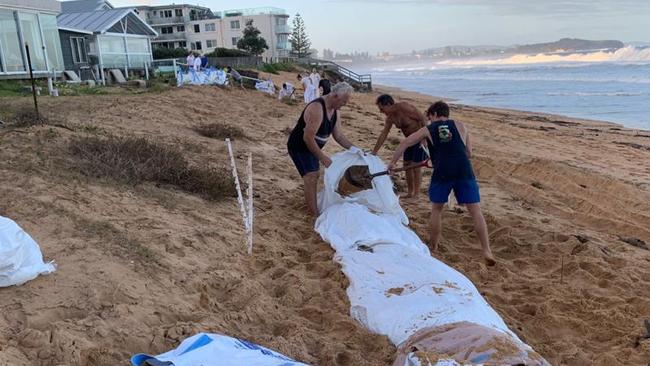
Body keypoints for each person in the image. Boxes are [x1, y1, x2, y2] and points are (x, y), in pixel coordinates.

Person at [387, 101, 496, 266]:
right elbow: (468, 153)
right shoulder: (461, 126)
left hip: (443, 171)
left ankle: (434, 245)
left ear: (435, 114)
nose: (429, 120)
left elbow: (405, 143)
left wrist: (392, 163)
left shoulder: (427, 129)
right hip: (463, 169)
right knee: (475, 211)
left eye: (430, 117)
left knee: (437, 209)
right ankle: (487, 250)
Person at [287, 82, 356, 216]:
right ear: (335, 96)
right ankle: (314, 214)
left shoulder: (335, 111)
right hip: (299, 146)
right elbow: (308, 138)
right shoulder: (317, 108)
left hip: (313, 147)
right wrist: (323, 158)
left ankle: (312, 204)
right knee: (311, 176)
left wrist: (355, 149)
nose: (345, 104)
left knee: (315, 174)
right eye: (344, 101)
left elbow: (339, 136)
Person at [372, 94, 427, 198]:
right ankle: (410, 192)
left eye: (382, 108)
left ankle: (416, 193)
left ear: (388, 104)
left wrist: (424, 138)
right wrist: (375, 151)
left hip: (420, 139)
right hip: (408, 141)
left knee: (416, 166)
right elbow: (384, 133)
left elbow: (422, 118)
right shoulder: (390, 118)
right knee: (406, 165)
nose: (381, 111)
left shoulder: (404, 107)